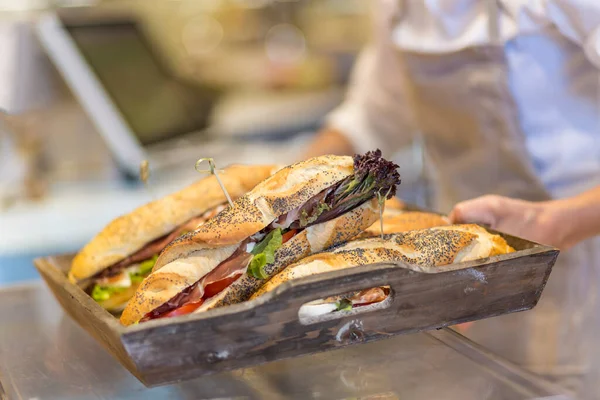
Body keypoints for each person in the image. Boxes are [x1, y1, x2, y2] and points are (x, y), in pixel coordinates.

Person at [302, 1, 600, 397]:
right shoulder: (398, 8)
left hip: (581, 259)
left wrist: (556, 223)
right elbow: (375, 116)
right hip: (467, 265)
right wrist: (288, 192)